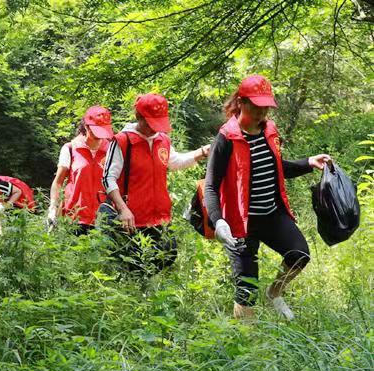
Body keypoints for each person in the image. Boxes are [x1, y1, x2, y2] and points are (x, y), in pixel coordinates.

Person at [204, 75, 330, 320]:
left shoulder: (269, 131)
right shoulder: (226, 138)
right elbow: (211, 186)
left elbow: (276, 168)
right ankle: (247, 345)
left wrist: (308, 163)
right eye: (256, 106)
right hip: (241, 223)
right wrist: (219, 221)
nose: (262, 112)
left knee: (299, 254)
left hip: (271, 215)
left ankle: (274, 293)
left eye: (266, 107)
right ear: (241, 102)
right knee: (246, 287)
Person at [101, 93, 210, 273]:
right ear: (139, 117)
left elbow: (174, 162)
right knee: (132, 266)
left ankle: (145, 292)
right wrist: (122, 208)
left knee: (168, 253)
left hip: (159, 218)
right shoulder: (123, 141)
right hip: (130, 219)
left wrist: (201, 152)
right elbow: (108, 178)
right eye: (150, 123)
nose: (154, 129)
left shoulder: (163, 140)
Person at [47, 106, 114, 233]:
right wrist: (53, 207)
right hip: (75, 217)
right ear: (87, 126)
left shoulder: (111, 150)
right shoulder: (71, 148)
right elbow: (58, 182)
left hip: (104, 218)